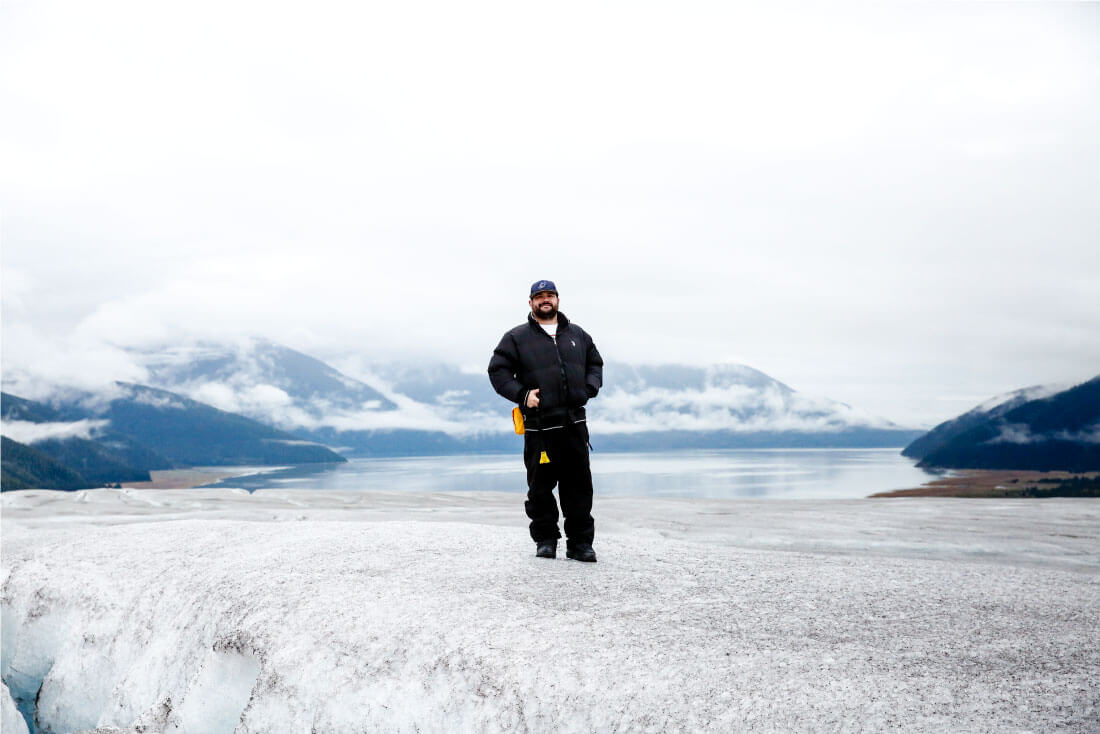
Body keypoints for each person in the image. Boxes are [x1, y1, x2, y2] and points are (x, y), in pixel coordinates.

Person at [488, 280, 604, 562]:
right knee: (540, 489)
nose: (545, 300)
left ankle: (580, 544)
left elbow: (595, 364)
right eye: (539, 296)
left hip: (575, 426)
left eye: (549, 295)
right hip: (540, 428)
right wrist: (522, 394)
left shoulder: (578, 335)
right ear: (530, 303)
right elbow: (498, 372)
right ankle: (546, 540)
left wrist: (587, 389)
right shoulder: (516, 338)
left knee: (578, 487)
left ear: (558, 300)